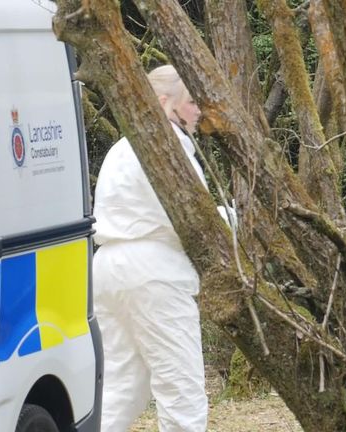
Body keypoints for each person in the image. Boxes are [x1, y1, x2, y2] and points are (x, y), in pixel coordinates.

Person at [92, 65, 208, 432]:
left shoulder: (120, 150)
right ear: (163, 102)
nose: (198, 111)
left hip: (109, 266)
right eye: (190, 102)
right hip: (153, 270)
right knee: (182, 388)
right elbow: (195, 219)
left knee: (121, 387)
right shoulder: (167, 147)